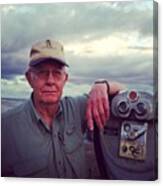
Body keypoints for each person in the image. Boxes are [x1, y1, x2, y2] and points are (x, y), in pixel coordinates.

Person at [1, 39, 123, 178]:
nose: (50, 81)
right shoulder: (6, 127)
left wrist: (102, 85)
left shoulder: (76, 108)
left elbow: (123, 91)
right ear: (29, 78)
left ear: (65, 79)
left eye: (57, 73)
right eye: (42, 73)